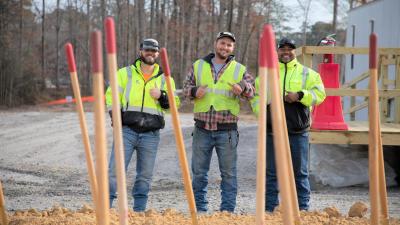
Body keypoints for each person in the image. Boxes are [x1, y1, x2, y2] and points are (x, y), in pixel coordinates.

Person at [251, 37, 326, 212]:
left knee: (300, 173)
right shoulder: (265, 74)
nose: (286, 52)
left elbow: (320, 95)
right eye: (282, 49)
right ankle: (270, 209)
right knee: (271, 173)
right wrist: (262, 112)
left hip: (298, 131)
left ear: (295, 51)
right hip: (272, 131)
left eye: (289, 49)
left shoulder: (308, 73)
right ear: (277, 51)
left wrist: (300, 95)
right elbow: (256, 98)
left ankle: (302, 209)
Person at [183, 31, 254, 213]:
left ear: (233, 48)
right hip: (202, 129)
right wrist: (194, 92)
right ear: (216, 44)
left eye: (229, 45)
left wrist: (243, 89)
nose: (225, 47)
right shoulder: (198, 65)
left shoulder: (239, 69)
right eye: (222, 43)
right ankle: (199, 209)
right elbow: (185, 88)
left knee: (229, 174)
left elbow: (252, 90)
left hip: (227, 131)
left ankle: (227, 212)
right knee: (199, 173)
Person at [105, 38, 180, 212]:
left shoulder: (165, 78)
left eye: (154, 51)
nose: (150, 53)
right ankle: (106, 209)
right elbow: (111, 97)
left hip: (151, 134)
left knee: (145, 175)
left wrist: (161, 96)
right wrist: (114, 116)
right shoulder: (125, 73)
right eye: (147, 50)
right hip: (126, 131)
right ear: (140, 52)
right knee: (114, 171)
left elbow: (173, 105)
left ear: (158, 54)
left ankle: (139, 211)